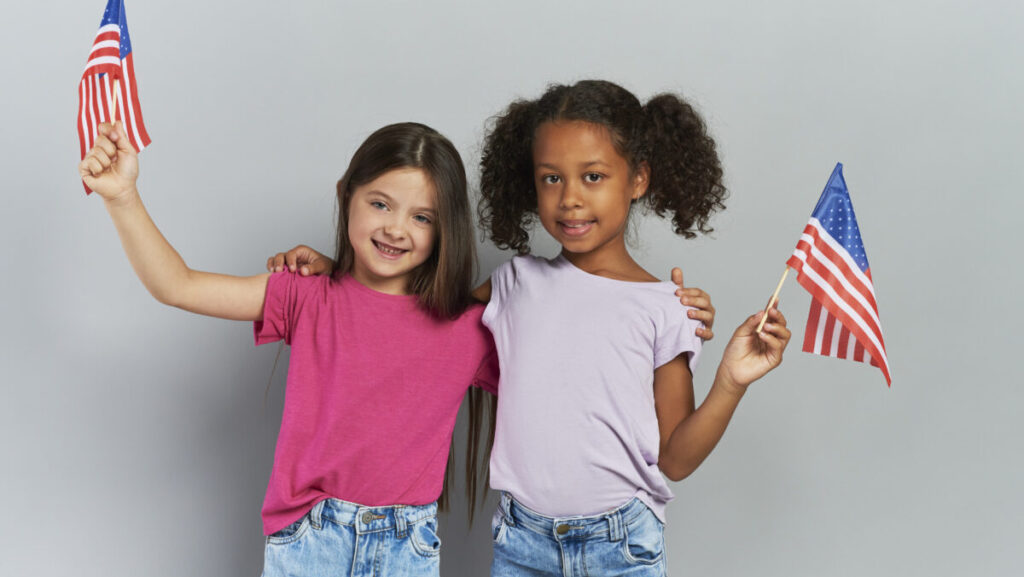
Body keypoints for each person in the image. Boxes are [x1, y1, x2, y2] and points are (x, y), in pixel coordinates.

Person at [264, 80, 787, 577]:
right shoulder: (514, 283)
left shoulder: (666, 309)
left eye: (594, 176)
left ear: (639, 179)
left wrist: (730, 382)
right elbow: (409, 319)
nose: (570, 198)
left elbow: (675, 459)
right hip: (521, 542)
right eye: (551, 177)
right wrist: (338, 274)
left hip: (620, 545)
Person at [80, 121, 501, 577]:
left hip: (407, 548)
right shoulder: (306, 296)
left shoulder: (467, 329)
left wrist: (520, 285)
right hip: (310, 540)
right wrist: (122, 198)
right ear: (346, 195)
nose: (396, 229)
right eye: (380, 204)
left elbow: (569, 362)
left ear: (446, 229)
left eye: (422, 217)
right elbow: (177, 285)